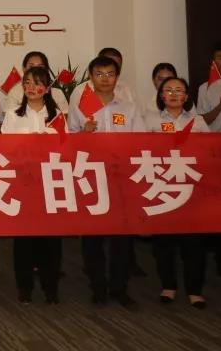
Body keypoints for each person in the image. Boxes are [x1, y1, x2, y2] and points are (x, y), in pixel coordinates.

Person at [70, 55, 143, 307]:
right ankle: (98, 286)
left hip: (121, 177)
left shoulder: (129, 107)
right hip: (91, 177)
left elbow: (141, 141)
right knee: (93, 237)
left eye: (110, 74)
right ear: (91, 77)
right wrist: (83, 133)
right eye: (99, 74)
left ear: (117, 77)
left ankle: (119, 287)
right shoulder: (81, 106)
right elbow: (68, 142)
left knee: (121, 237)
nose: (105, 79)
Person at [146, 77, 209, 309]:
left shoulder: (197, 121)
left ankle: (195, 290)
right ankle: (168, 286)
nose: (173, 94)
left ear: (186, 96)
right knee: (164, 242)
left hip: (190, 186)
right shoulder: (150, 120)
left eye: (179, 90)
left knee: (194, 242)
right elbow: (140, 149)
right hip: (162, 186)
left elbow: (211, 149)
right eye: (168, 90)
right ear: (161, 95)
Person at [1, 66, 62, 304]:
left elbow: (65, 149)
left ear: (47, 88)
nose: (31, 87)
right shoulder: (13, 115)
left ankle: (50, 286)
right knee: (23, 239)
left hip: (50, 184)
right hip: (23, 184)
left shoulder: (57, 116)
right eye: (27, 83)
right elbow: (5, 150)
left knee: (50, 239)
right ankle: (24, 286)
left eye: (37, 83)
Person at [0, 50, 69, 115]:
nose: (35, 70)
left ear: (46, 69)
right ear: (24, 68)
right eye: (31, 66)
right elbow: (8, 116)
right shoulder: (15, 91)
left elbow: (63, 118)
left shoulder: (57, 93)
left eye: (40, 67)